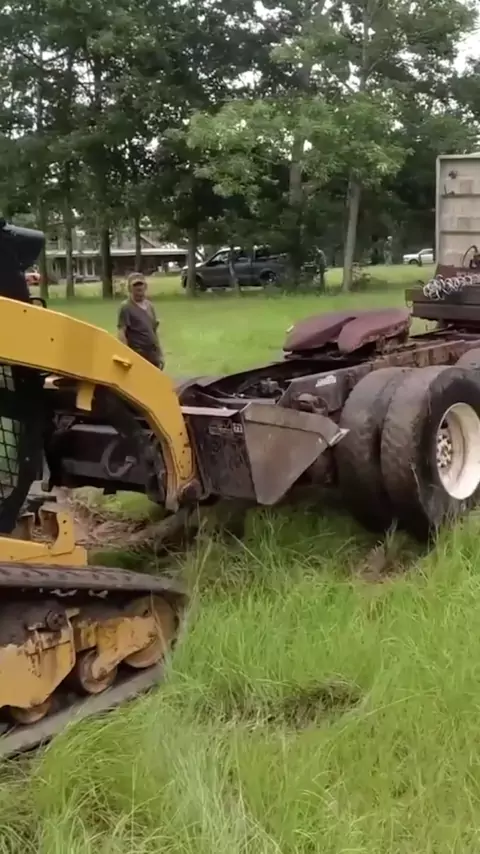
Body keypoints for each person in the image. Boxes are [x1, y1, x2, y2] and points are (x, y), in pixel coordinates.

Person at [117, 272, 165, 369]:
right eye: (135, 285)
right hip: (138, 354)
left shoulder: (150, 306)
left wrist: (160, 354)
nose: (139, 288)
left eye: (140, 284)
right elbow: (122, 332)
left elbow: (154, 331)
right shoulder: (126, 307)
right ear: (130, 288)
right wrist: (126, 356)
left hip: (152, 353)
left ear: (145, 286)